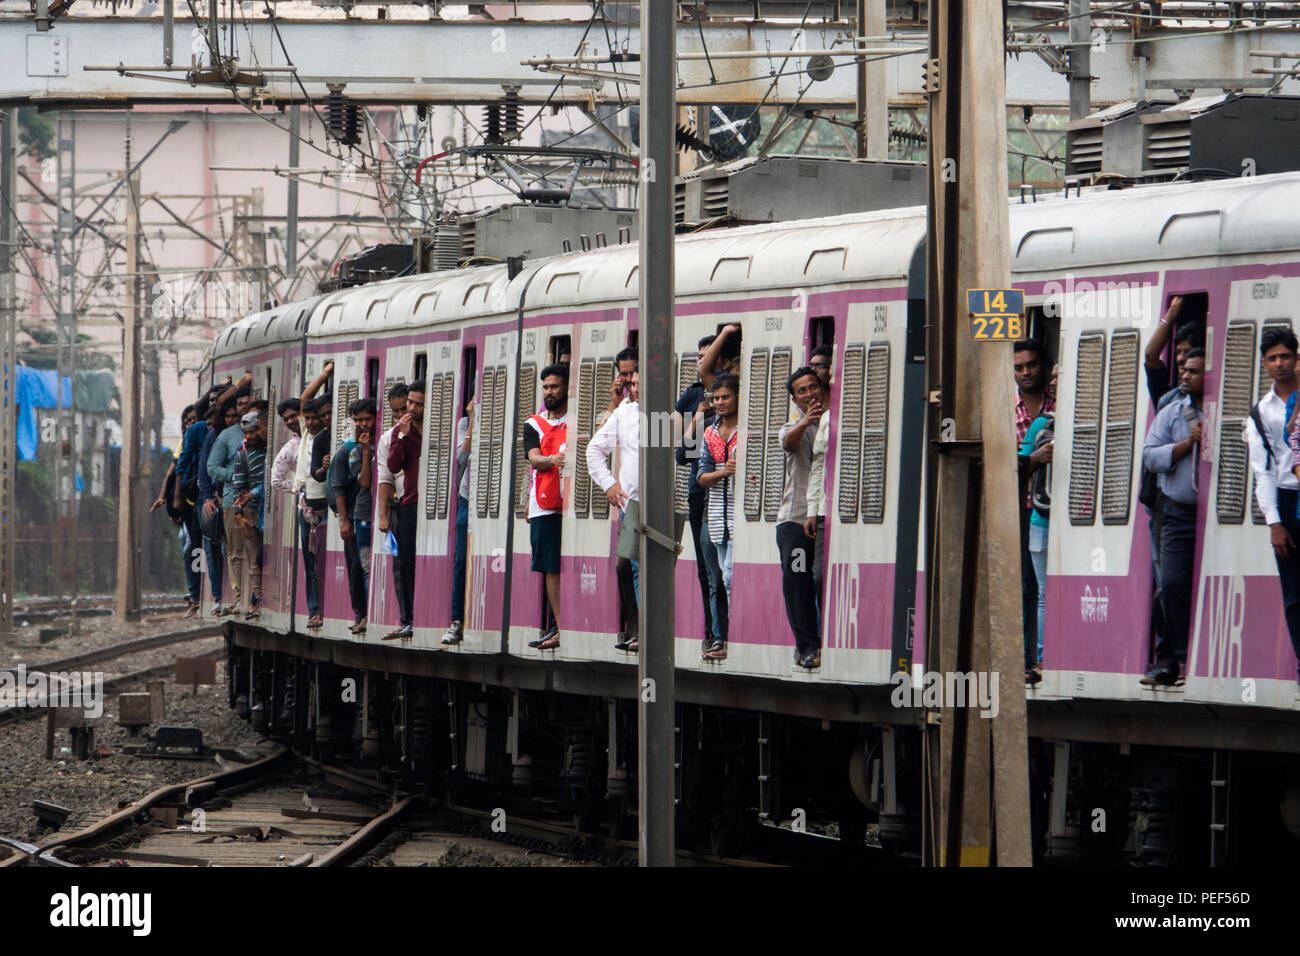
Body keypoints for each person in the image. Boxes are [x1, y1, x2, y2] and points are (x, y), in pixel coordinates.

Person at [1140, 349, 1205, 686]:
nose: (1185, 376)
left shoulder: (1225, 411)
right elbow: (1150, 456)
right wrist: (1186, 444)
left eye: (1194, 371)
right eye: (1184, 369)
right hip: (1177, 514)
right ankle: (1178, 657)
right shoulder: (1172, 411)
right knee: (1171, 585)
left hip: (1214, 520)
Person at [1249, 328, 1300, 688]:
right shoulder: (1261, 413)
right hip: (1288, 499)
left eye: (1286, 356)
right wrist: (1274, 523)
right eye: (1273, 357)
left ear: (1297, 358)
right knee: (1295, 596)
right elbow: (1262, 471)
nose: (1280, 363)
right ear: (1264, 363)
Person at [588, 369, 641, 652]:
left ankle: (643, 630)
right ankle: (638, 629)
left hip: (658, 506)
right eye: (633, 383)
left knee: (640, 568)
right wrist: (609, 484)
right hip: (631, 504)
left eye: (641, 382)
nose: (636, 388)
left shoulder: (669, 415)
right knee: (628, 565)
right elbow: (593, 450)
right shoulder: (625, 413)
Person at [1013, 340, 1055, 680]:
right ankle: (1027, 662)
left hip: (1060, 509)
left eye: (1031, 365)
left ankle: (1052, 655)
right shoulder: (1004, 410)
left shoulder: (1059, 402)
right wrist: (1032, 459)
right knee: (1027, 586)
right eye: (1019, 367)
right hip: (1023, 510)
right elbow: (996, 461)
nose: (1026, 372)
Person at [675, 334, 721, 648]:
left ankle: (721, 631)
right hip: (698, 489)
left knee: (723, 567)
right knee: (706, 567)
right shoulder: (690, 397)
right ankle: (710, 630)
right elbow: (680, 453)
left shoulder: (729, 396)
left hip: (724, 491)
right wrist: (695, 420)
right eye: (698, 356)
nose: (701, 363)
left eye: (708, 357)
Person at [779, 366, 826, 669]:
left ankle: (820, 640)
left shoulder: (833, 421)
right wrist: (807, 421)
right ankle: (806, 646)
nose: (809, 393)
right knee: (797, 580)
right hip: (794, 522)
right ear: (795, 399)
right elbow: (788, 443)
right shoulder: (792, 426)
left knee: (819, 579)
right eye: (802, 390)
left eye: (813, 387)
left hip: (822, 517)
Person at [524, 364, 568, 650]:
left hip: (571, 501)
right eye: (546, 387)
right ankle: (560, 626)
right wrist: (552, 460)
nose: (549, 392)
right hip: (544, 503)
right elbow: (533, 458)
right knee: (551, 566)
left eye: (554, 386)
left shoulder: (576, 419)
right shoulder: (534, 424)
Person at [698, 373, 741, 661]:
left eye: (726, 397)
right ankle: (719, 636)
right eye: (716, 398)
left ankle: (733, 636)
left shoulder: (747, 430)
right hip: (714, 515)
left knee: (730, 577)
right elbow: (701, 476)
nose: (721, 402)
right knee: (718, 579)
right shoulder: (709, 433)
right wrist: (723, 472)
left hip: (739, 516)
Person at [331, 397, 377, 634]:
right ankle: (361, 613)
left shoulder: (382, 443)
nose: (362, 424)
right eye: (357, 420)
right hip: (358, 517)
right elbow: (344, 485)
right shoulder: (349, 451)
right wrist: (344, 520)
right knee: (358, 567)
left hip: (375, 517)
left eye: (367, 419)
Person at [384, 380, 426, 640]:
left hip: (426, 502)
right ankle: (407, 617)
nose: (411, 408)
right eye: (410, 402)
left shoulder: (432, 431)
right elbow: (392, 464)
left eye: (417, 404)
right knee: (403, 561)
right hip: (408, 504)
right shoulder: (400, 433)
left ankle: (416, 615)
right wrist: (402, 434)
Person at [294, 368, 332, 629]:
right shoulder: (307, 434)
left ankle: (327, 607)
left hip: (326, 506)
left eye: (316, 417)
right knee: (310, 564)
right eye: (308, 418)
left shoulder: (327, 438)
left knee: (324, 562)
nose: (311, 422)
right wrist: (326, 373)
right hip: (308, 506)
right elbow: (305, 398)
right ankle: (314, 610)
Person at [205, 397, 249, 615]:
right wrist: (234, 476)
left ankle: (252, 597)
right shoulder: (227, 436)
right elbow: (211, 467)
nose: (243, 409)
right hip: (233, 500)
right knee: (235, 551)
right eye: (241, 405)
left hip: (255, 501)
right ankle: (239, 596)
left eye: (247, 404)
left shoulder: (260, 432)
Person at [442, 397, 474, 646]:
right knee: (461, 559)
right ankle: (456, 619)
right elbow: (462, 459)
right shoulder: (464, 423)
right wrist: (473, 421)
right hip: (467, 497)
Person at [230, 410, 268, 620]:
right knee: (255, 560)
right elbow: (238, 483)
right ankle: (258, 601)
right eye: (247, 432)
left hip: (269, 510)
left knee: (264, 557)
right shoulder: (243, 453)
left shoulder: (270, 450)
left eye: (254, 431)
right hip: (251, 512)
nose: (250, 436)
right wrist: (238, 513)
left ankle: (259, 600)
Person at [376, 382, 409, 551]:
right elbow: (385, 478)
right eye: (396, 411)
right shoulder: (388, 438)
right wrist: (382, 515)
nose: (401, 414)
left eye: (404, 408)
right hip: (400, 504)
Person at [269, 398, 303, 495]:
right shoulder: (290, 448)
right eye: (286, 419)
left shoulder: (318, 435)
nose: (290, 421)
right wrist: (302, 489)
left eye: (293, 416)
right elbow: (275, 481)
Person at [604, 346, 638, 420]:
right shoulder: (623, 404)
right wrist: (614, 403)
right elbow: (602, 431)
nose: (629, 379)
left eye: (632, 373)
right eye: (624, 374)